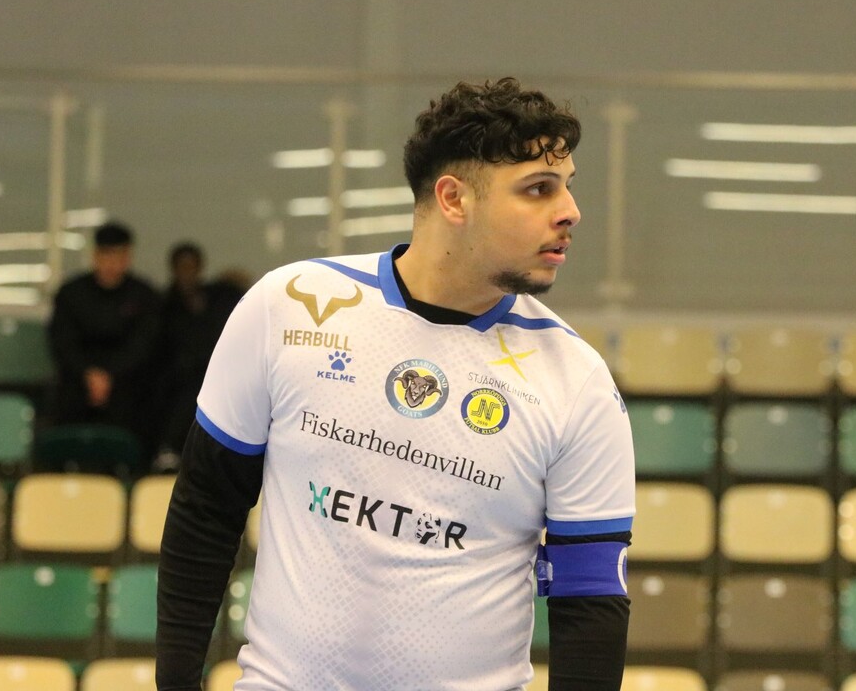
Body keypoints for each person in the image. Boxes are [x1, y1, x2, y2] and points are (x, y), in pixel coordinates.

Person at [157, 78, 636, 691]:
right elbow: (205, 512)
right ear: (454, 198)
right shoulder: (287, 306)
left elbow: (590, 599)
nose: (570, 210)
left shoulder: (580, 382)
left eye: (567, 185)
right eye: (539, 188)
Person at [47, 221, 161, 458]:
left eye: (118, 256)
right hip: (78, 381)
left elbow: (143, 345)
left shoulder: (143, 295)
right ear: (95, 256)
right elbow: (62, 342)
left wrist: (110, 375)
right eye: (106, 255)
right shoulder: (71, 293)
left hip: (126, 384)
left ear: (128, 257)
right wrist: (89, 375)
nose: (111, 264)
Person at [152, 242, 243, 471]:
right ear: (173, 269)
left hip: (214, 382)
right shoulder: (162, 306)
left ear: (201, 268)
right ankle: (168, 450)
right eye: (182, 267)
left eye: (191, 267)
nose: (187, 273)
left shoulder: (219, 299)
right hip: (175, 386)